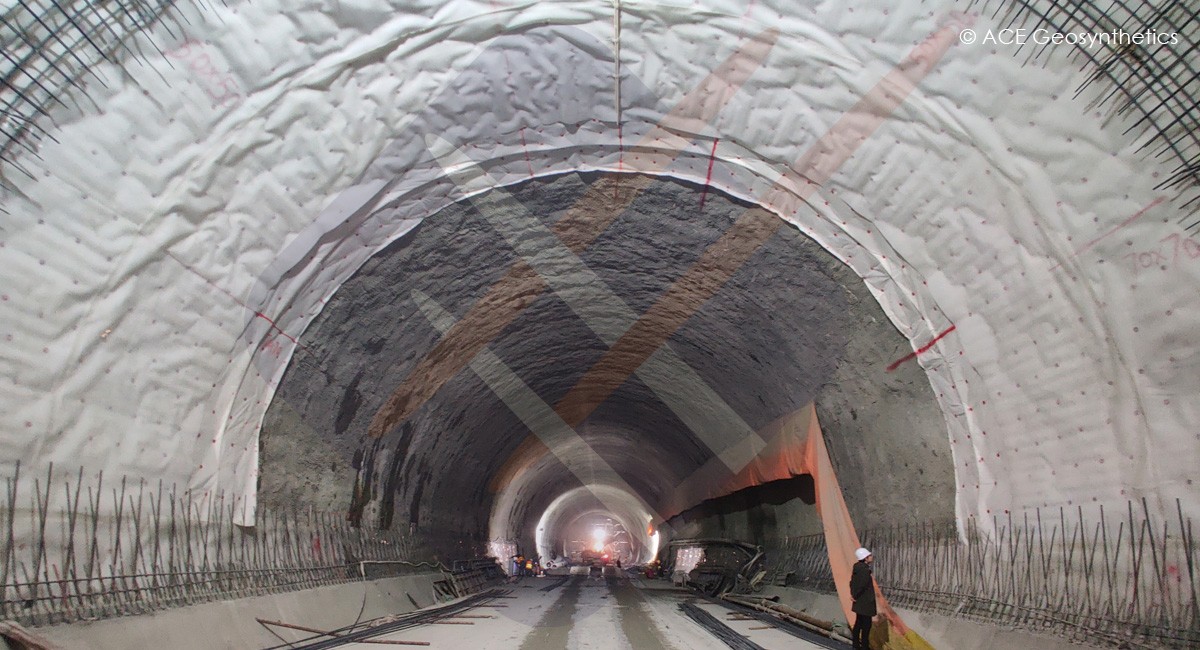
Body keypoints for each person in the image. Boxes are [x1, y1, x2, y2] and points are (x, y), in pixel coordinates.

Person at [849, 547, 876, 650]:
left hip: (859, 602)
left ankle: (855, 645)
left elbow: (852, 583)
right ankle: (865, 647)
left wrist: (853, 595)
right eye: (869, 556)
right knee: (866, 626)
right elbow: (862, 585)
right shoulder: (865, 570)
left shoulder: (856, 568)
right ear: (865, 558)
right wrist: (855, 595)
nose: (871, 557)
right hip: (865, 602)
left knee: (858, 624)